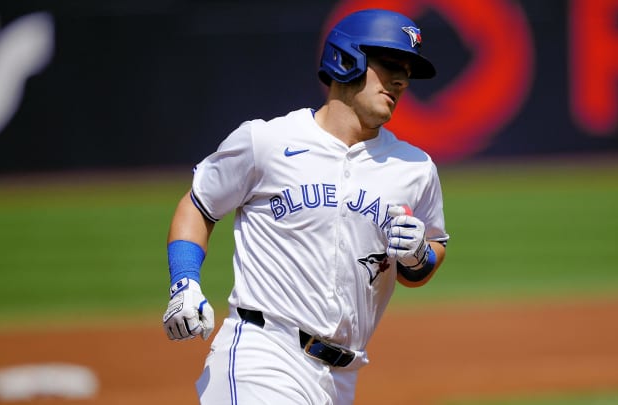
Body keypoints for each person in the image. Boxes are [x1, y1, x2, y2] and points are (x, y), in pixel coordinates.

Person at [162, 8, 449, 405]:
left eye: (407, 70)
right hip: (261, 356)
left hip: (340, 380)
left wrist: (419, 256)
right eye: (389, 64)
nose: (401, 79)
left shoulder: (415, 168)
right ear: (347, 59)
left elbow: (429, 255)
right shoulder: (267, 142)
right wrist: (185, 281)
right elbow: (199, 204)